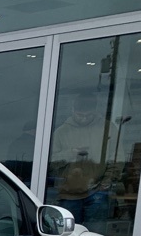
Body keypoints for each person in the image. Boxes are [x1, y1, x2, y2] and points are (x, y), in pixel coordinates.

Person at [50, 93, 119, 227]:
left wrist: (106, 181)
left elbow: (116, 158)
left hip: (97, 192)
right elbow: (51, 162)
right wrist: (70, 153)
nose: (83, 119)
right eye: (80, 115)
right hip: (68, 193)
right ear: (73, 111)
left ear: (95, 112)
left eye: (88, 115)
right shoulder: (61, 132)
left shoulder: (108, 129)